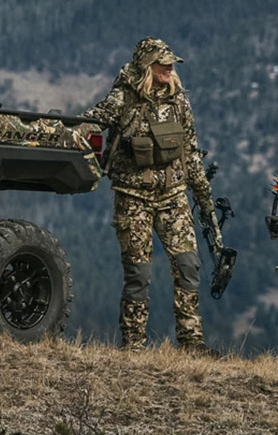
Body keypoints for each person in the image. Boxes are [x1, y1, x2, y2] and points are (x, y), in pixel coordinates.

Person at [83, 37, 221, 352]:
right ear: (148, 65)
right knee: (138, 273)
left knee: (188, 265)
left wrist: (204, 199)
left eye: (171, 62)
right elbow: (89, 124)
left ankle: (191, 343)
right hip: (133, 197)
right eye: (163, 62)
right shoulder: (122, 100)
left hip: (174, 196)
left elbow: (190, 152)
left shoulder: (179, 101)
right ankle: (133, 346)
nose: (170, 68)